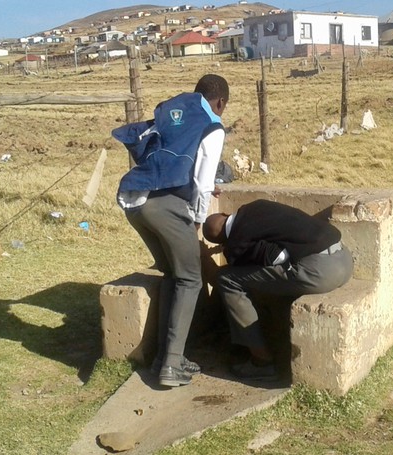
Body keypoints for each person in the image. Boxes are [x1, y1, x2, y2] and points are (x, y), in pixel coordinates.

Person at [112, 74, 229, 388]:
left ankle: (165, 357)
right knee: (191, 279)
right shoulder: (212, 124)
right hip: (164, 204)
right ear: (220, 102)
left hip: (135, 200)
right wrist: (197, 219)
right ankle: (171, 365)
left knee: (173, 276)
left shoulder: (175, 109)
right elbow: (204, 183)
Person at [202, 199, 353, 380]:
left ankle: (261, 361)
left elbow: (278, 257)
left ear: (222, 241)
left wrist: (235, 251)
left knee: (226, 279)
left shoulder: (237, 244)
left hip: (322, 272)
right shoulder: (256, 206)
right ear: (226, 214)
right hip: (344, 259)